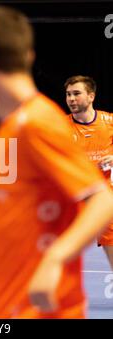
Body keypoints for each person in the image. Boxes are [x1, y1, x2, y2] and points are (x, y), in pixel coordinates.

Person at [0, 5, 113, 319]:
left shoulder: (39, 123)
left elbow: (103, 200)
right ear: (28, 56)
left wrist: (55, 259)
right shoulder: (11, 128)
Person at [65, 75, 113, 268]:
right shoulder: (60, 127)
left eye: (76, 93)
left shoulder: (109, 121)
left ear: (91, 96)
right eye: (68, 94)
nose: (71, 99)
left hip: (103, 198)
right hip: (73, 199)